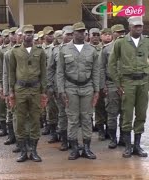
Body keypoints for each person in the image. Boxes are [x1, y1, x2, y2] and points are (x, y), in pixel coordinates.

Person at [57, 22, 100, 160]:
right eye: (78, 32)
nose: (81, 34)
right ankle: (74, 147)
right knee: (73, 118)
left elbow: (96, 71)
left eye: (83, 32)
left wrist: (96, 90)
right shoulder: (64, 50)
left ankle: (87, 147)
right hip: (71, 87)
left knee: (87, 118)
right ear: (73, 33)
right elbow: (60, 72)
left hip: (87, 87)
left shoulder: (92, 50)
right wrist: (61, 90)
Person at [108, 16, 149, 158]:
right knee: (127, 114)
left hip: (143, 82)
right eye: (136, 26)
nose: (139, 28)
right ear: (130, 27)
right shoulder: (120, 42)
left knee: (142, 113)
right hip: (128, 82)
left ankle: (137, 145)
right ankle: (127, 146)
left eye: (141, 26)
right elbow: (112, 64)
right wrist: (118, 83)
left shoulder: (147, 41)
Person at [9, 24, 48, 162]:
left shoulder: (40, 51)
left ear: (34, 35)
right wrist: (11, 91)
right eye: (26, 33)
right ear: (22, 35)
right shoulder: (15, 51)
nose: (29, 35)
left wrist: (44, 91)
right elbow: (11, 72)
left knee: (35, 119)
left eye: (31, 33)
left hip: (35, 89)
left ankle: (34, 150)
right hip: (20, 89)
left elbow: (44, 72)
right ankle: (23, 150)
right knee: (20, 119)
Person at [99, 24, 125, 149]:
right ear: (113, 33)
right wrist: (103, 85)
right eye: (117, 32)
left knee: (126, 112)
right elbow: (101, 68)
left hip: (126, 84)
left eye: (122, 32)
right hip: (111, 84)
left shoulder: (130, 47)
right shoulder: (107, 49)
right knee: (112, 113)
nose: (120, 34)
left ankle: (124, 138)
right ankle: (113, 138)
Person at [48, 25, 73, 151]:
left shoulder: (81, 49)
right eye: (67, 34)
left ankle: (74, 141)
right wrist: (51, 87)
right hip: (60, 89)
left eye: (71, 34)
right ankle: (64, 140)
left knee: (75, 116)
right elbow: (51, 70)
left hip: (76, 87)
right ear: (62, 35)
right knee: (63, 115)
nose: (69, 36)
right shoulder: (56, 50)